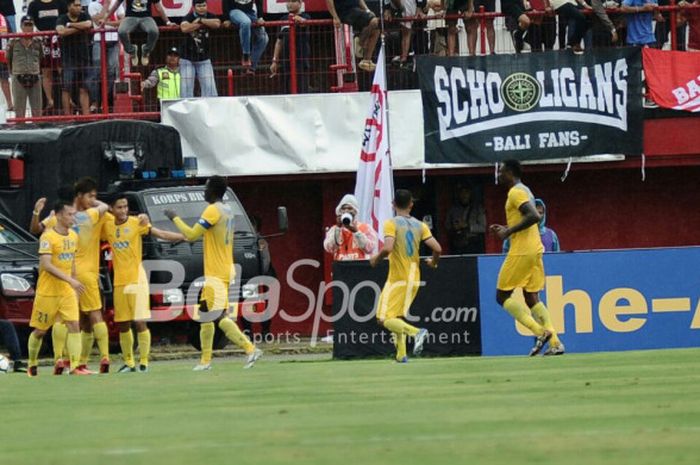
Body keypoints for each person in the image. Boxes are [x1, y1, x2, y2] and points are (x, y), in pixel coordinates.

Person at [164, 176, 262, 371]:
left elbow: (192, 235)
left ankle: (250, 349)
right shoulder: (228, 210)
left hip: (216, 272)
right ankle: (205, 361)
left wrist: (174, 217)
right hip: (226, 268)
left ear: (213, 191)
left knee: (217, 316)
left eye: (206, 187)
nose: (204, 191)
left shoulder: (212, 210)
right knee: (206, 316)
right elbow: (210, 235)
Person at [31, 178, 112, 374]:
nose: (93, 199)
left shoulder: (54, 219)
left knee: (64, 320)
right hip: (82, 274)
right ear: (79, 197)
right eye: (90, 195)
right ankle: (102, 357)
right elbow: (105, 207)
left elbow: (35, 230)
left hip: (69, 274)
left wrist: (36, 213)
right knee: (93, 316)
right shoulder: (90, 215)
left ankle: (62, 359)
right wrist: (93, 202)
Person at [489, 160, 565, 356]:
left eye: (501, 171)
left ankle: (540, 332)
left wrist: (508, 232)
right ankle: (555, 343)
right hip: (535, 249)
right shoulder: (526, 190)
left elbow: (533, 216)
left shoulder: (515, 192)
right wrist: (509, 229)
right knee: (531, 297)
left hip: (522, 250)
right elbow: (529, 216)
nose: (498, 175)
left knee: (501, 295)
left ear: (510, 172)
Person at [102, 195, 185, 373]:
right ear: (112, 209)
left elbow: (160, 234)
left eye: (125, 207)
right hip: (119, 282)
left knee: (140, 321)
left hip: (137, 279)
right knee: (123, 323)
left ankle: (144, 362)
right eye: (119, 207)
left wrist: (184, 236)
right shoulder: (107, 224)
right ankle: (129, 363)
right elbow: (95, 207)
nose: (123, 211)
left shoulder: (135, 223)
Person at [369, 189, 442, 363]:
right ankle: (401, 354)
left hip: (397, 279)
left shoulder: (391, 224)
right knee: (395, 317)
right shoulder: (421, 225)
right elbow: (437, 248)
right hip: (414, 278)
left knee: (383, 319)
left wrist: (375, 259)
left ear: (393, 204)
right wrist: (433, 262)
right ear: (411, 204)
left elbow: (387, 248)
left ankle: (417, 332)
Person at [26, 200, 91, 377]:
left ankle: (75, 367)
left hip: (66, 291)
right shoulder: (48, 237)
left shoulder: (73, 236)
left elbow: (72, 263)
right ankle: (31, 364)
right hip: (47, 292)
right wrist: (71, 280)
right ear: (59, 216)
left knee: (74, 325)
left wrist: (74, 283)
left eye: (74, 214)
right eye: (70, 214)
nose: (73, 218)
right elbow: (46, 265)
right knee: (40, 331)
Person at [102, 0, 175, 67]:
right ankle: (132, 51)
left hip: (146, 17)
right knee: (122, 31)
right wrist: (105, 18)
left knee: (154, 31)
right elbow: (116, 5)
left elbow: (158, 7)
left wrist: (168, 22)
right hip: (130, 17)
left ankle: (146, 51)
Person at [27, 0, 67, 112]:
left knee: (61, 69)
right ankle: (50, 100)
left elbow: (65, 18)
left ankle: (67, 97)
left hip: (58, 39)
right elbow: (30, 21)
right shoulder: (33, 5)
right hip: (42, 39)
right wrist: (37, 34)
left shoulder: (61, 3)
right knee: (45, 71)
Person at [56, 0, 93, 116]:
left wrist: (71, 25)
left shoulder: (84, 15)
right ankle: (67, 117)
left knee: (84, 88)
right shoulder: (62, 18)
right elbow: (61, 31)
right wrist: (79, 29)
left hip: (83, 57)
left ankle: (86, 116)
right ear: (69, 7)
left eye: (79, 5)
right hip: (68, 59)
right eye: (76, 5)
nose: (78, 8)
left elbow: (89, 24)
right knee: (66, 88)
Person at [179, 0, 220, 98]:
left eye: (204, 5)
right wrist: (198, 25)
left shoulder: (210, 15)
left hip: (204, 58)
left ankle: (209, 111)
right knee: (186, 88)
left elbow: (217, 23)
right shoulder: (189, 16)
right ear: (194, 7)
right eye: (199, 6)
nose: (202, 8)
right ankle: (187, 111)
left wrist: (201, 20)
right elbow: (184, 28)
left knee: (210, 88)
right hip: (187, 58)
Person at [88, 0, 125, 109]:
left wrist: (107, 23)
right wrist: (106, 6)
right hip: (98, 40)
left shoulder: (117, 3)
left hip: (113, 40)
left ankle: (106, 102)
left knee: (111, 72)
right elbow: (96, 20)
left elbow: (122, 21)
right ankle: (95, 101)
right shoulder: (92, 5)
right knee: (96, 71)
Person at [5, 16, 43, 119]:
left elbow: (41, 57)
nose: (28, 27)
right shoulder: (13, 41)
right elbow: (8, 58)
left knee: (37, 111)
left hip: (35, 75)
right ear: (21, 26)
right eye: (26, 24)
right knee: (19, 111)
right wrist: (13, 73)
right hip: (18, 76)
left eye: (30, 24)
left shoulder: (38, 41)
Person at [269, 0, 311, 93]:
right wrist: (275, 60)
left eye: (293, 1)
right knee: (286, 90)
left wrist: (297, 19)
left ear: (300, 3)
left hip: (301, 60)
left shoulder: (305, 16)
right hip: (285, 61)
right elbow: (279, 41)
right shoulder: (283, 19)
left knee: (302, 90)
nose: (289, 4)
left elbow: (305, 23)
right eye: (288, 1)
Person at [326, 0, 380, 72]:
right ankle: (360, 42)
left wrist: (367, 10)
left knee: (376, 29)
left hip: (355, 10)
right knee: (375, 22)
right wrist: (335, 17)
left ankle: (366, 59)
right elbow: (329, 1)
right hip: (345, 11)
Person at [323, 194, 378, 261]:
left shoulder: (365, 228)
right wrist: (338, 228)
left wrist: (356, 232)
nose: (346, 211)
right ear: (339, 211)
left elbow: (370, 248)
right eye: (343, 208)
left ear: (355, 211)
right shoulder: (334, 229)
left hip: (360, 269)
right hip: (341, 269)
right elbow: (329, 248)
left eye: (350, 208)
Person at [222, 0, 269, 74]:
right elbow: (225, 2)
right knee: (246, 22)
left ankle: (250, 68)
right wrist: (226, 18)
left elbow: (259, 2)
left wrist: (260, 17)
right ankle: (246, 55)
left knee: (264, 38)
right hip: (234, 11)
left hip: (249, 12)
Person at [445, 185, 486, 255]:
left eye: (466, 192)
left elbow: (483, 228)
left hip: (473, 245)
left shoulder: (478, 209)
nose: (464, 195)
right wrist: (454, 228)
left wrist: (467, 226)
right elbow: (447, 226)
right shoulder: (453, 210)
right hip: (457, 244)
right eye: (461, 192)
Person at [384, 0, 426, 66]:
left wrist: (419, 7)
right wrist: (387, 8)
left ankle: (404, 58)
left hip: (409, 4)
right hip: (395, 6)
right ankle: (403, 57)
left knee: (406, 31)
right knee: (404, 31)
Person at [0, 13, 13, 113]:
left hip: (1, 53)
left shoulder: (3, 18)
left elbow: (10, 35)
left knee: (4, 80)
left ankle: (10, 104)